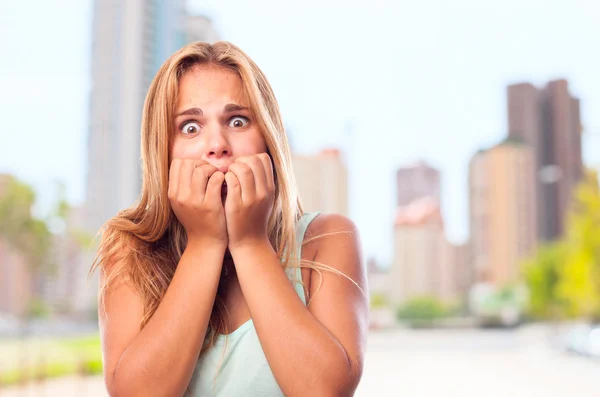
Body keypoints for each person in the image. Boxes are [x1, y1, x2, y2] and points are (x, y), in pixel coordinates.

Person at [91, 41, 368, 397]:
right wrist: (205, 243)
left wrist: (250, 242)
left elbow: (324, 390)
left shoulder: (327, 239)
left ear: (267, 139)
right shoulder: (129, 248)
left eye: (237, 121)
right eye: (190, 127)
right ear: (163, 149)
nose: (217, 144)